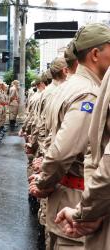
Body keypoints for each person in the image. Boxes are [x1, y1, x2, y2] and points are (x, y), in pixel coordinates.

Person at [29, 23, 110, 249]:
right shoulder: (89, 94)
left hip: (65, 197)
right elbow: (62, 151)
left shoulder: (67, 87)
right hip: (76, 200)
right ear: (95, 54)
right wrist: (44, 182)